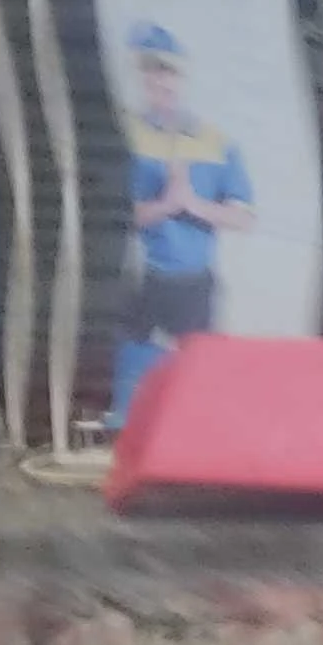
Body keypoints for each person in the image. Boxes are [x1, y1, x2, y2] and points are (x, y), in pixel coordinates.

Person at [112, 21, 254, 414]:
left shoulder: (217, 143)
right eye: (152, 73)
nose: (161, 83)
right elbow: (120, 216)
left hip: (195, 282)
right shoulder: (130, 139)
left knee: (196, 380)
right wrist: (166, 205)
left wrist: (192, 204)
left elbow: (243, 218)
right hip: (144, 276)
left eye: (168, 73)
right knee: (134, 376)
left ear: (183, 78)